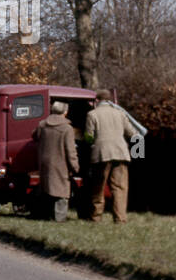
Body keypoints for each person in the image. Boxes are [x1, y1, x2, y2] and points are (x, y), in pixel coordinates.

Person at [85, 89, 138, 223]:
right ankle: (120, 219)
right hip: (121, 153)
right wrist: (138, 153)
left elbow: (89, 137)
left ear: (97, 101)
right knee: (120, 188)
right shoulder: (120, 113)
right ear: (110, 100)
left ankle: (96, 218)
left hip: (101, 154)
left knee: (98, 187)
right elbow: (133, 134)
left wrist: (89, 143)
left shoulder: (92, 114)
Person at [34, 101, 80, 222]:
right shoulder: (67, 128)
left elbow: (34, 136)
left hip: (44, 162)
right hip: (61, 164)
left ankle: (46, 216)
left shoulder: (42, 125)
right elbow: (70, 151)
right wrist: (75, 167)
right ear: (65, 112)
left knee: (47, 189)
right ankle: (59, 218)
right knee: (61, 192)